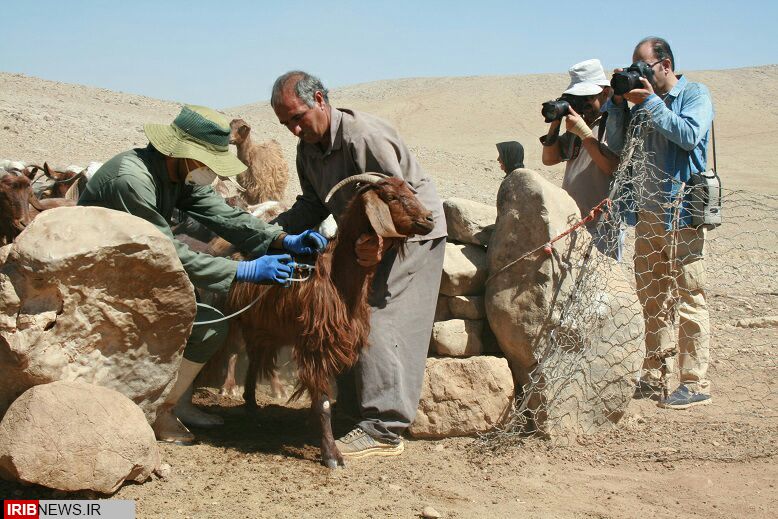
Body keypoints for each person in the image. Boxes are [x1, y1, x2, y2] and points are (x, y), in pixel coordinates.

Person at [79, 105, 328, 443]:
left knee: (209, 326)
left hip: (134, 273)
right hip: (95, 282)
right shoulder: (132, 181)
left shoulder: (176, 174)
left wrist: (281, 238)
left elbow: (227, 218)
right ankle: (154, 413)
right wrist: (246, 270)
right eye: (207, 162)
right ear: (182, 153)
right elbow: (169, 252)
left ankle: (174, 404)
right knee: (197, 323)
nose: (211, 172)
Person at [269, 71, 447, 459]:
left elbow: (398, 199)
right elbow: (314, 205)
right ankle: (353, 411)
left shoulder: (363, 136)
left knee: (376, 316)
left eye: (298, 117)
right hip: (364, 236)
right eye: (286, 124)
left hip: (410, 234)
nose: (295, 129)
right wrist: (265, 233)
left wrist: (377, 246)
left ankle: (385, 427)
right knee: (341, 311)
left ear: (319, 99)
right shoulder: (309, 147)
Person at [605, 37, 714, 409]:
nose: (639, 73)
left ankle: (694, 381)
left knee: (688, 295)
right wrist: (618, 107)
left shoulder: (694, 94)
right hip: (648, 213)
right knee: (651, 296)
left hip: (683, 213)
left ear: (665, 65)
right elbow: (618, 148)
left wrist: (650, 101)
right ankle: (654, 373)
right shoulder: (639, 103)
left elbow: (688, 135)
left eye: (644, 66)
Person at [541, 58, 623, 260]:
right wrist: (555, 121)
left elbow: (610, 166)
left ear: (604, 93)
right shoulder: (579, 122)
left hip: (603, 224)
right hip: (573, 220)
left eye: (587, 97)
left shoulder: (614, 121)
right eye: (577, 98)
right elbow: (549, 159)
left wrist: (584, 133)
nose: (583, 104)